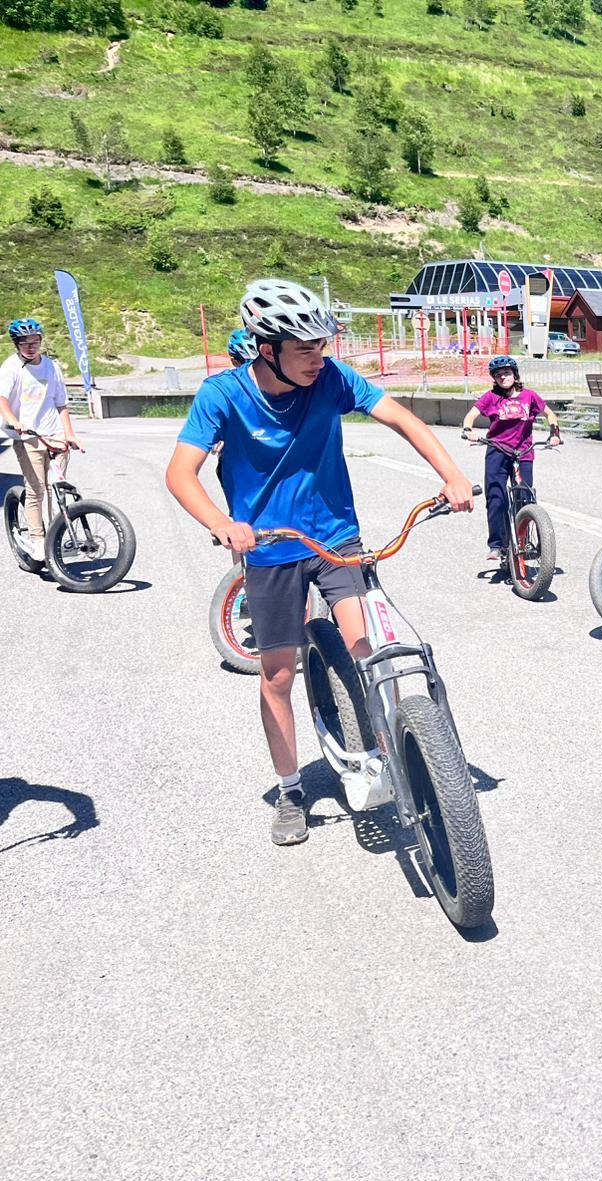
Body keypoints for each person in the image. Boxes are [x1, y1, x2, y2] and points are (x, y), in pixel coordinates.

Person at [165, 278, 474, 848]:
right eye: (304, 348)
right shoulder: (222, 395)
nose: (318, 358)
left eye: (321, 345)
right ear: (267, 348)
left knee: (368, 650)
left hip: (336, 539)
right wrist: (222, 523)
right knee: (278, 674)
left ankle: (401, 753)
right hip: (268, 549)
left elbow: (403, 419)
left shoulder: (331, 379)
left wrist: (451, 475)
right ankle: (289, 790)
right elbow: (180, 474)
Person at [461, 354, 561, 564]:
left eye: (506, 373)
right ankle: (497, 545)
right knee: (496, 497)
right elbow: (470, 416)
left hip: (524, 451)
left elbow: (550, 415)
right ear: (494, 379)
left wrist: (555, 434)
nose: (503, 377)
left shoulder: (530, 396)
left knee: (525, 497)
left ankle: (529, 539)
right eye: (498, 375)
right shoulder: (490, 398)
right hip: (497, 450)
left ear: (515, 375)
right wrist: (468, 429)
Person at [0, 318, 81, 557]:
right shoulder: (11, 367)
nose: (30, 346)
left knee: (57, 488)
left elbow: (61, 403)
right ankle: (37, 539)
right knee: (36, 489)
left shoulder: (51, 366)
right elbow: (2, 399)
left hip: (53, 433)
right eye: (24, 343)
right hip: (26, 436)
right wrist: (13, 421)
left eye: (34, 341)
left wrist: (70, 434)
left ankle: (59, 537)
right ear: (17, 344)